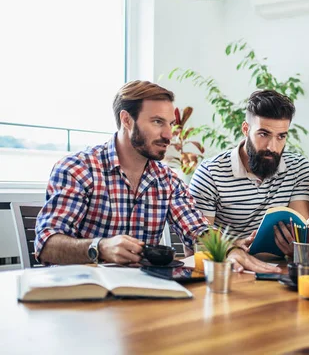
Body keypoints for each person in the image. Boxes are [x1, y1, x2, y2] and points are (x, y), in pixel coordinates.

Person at [35, 80, 279, 273]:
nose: (168, 134)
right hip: (80, 296)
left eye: (170, 123)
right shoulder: (78, 169)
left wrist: (228, 250)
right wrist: (100, 247)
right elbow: (46, 246)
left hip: (139, 297)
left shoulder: (168, 181)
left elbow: (198, 230)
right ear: (126, 120)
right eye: (157, 122)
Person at [189, 90, 309, 256]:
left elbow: (301, 236)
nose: (272, 147)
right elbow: (196, 245)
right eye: (264, 134)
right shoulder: (210, 173)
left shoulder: (297, 167)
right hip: (231, 269)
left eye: (281, 136)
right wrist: (233, 246)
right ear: (246, 129)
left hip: (280, 269)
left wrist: (297, 246)